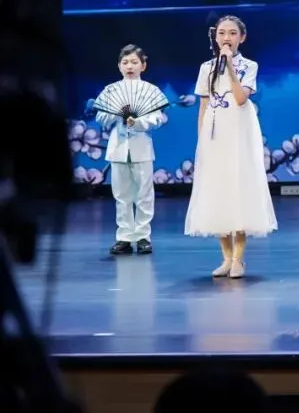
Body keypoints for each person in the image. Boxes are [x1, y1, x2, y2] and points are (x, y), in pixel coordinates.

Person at [185, 15, 277, 278]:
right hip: (215, 132)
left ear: (242, 37)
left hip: (239, 130)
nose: (227, 38)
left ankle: (239, 259)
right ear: (215, 37)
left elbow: (239, 98)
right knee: (218, 190)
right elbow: (203, 105)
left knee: (239, 188)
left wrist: (230, 67)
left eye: (232, 33)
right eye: (222, 33)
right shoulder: (206, 68)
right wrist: (202, 140)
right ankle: (226, 258)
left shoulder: (249, 66)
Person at [95, 44, 165, 256]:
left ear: (143, 66)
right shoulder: (111, 90)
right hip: (118, 149)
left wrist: (139, 122)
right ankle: (124, 237)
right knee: (121, 195)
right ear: (119, 66)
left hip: (142, 148)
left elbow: (158, 118)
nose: (129, 66)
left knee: (144, 195)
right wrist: (115, 113)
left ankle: (143, 236)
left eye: (134, 62)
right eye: (125, 62)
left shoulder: (151, 91)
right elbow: (100, 118)